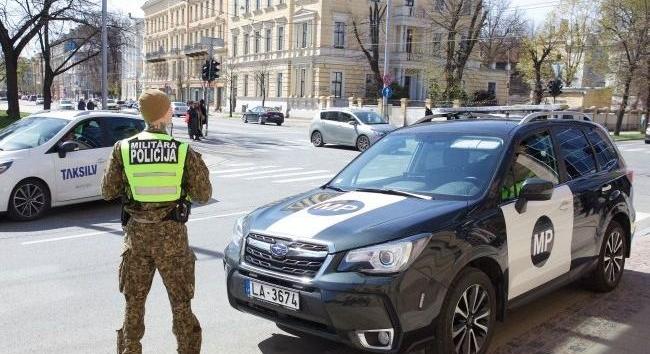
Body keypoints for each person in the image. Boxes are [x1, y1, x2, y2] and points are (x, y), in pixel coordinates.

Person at [101, 89, 212, 354]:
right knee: (181, 305)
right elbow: (203, 194)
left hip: (136, 239)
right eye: (170, 107)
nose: (173, 111)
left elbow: (107, 191)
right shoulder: (183, 151)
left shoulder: (123, 149)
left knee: (133, 306)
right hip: (172, 239)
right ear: (163, 114)